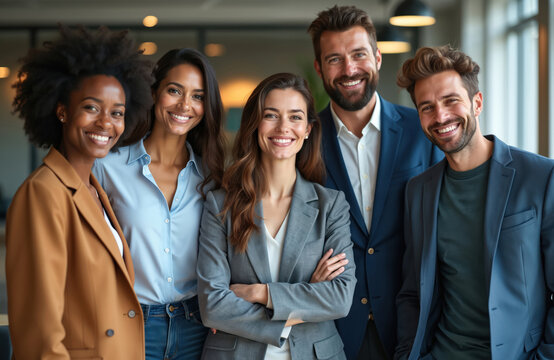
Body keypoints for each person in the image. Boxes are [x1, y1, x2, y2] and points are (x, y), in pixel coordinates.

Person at [395, 45, 554, 360]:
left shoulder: (541, 177)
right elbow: (413, 292)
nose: (440, 116)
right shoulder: (418, 191)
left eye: (450, 100)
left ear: (477, 102)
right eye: (426, 107)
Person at [6, 26, 153, 359]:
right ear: (62, 111)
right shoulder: (43, 193)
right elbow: (40, 332)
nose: (106, 123)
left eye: (117, 113)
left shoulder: (94, 190)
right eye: (91, 107)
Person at [307, 5, 443, 359]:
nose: (349, 69)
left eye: (358, 55)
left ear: (378, 57)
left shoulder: (423, 131)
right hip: (331, 328)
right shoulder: (303, 141)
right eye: (334, 59)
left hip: (410, 327)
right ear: (320, 68)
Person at [196, 72, 357, 359]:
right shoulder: (221, 204)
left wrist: (261, 293)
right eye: (271, 115)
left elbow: (339, 298)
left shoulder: (331, 205)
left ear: (308, 128)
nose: (284, 127)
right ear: (255, 124)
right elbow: (213, 306)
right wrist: (307, 295)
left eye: (295, 117)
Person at [93, 48, 226, 359]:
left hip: (198, 325)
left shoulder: (212, 177)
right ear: (154, 93)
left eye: (197, 96)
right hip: (131, 322)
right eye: (174, 90)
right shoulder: (108, 166)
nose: (184, 105)